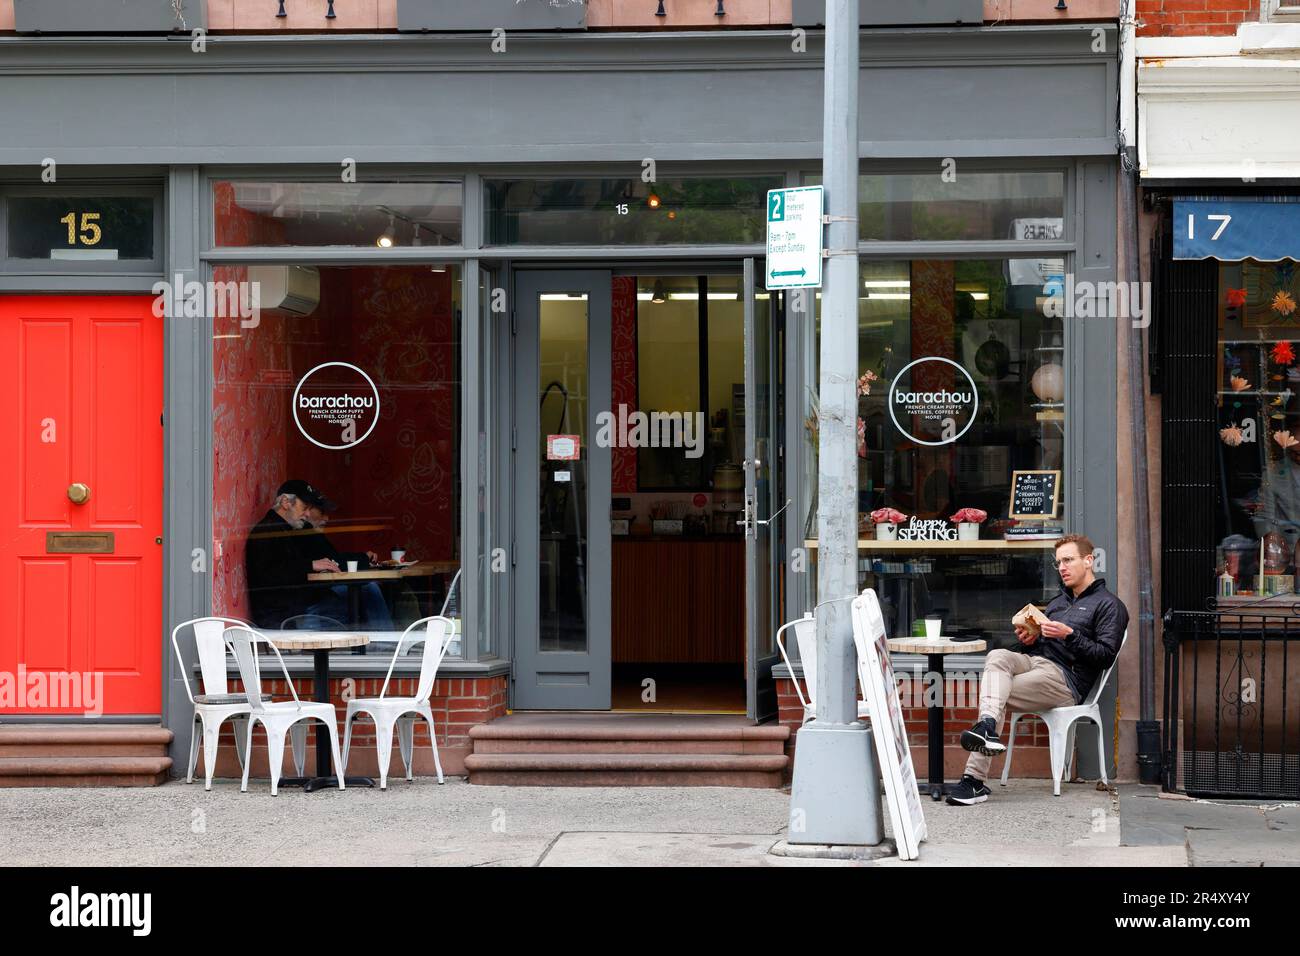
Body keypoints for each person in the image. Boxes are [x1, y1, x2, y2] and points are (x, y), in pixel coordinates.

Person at [946, 533, 1129, 806]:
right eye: (1059, 563)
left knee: (998, 693)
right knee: (997, 655)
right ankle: (986, 728)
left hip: (1067, 680)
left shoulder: (1109, 605)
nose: (1063, 567)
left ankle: (973, 779)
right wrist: (1031, 640)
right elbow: (1040, 650)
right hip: (1037, 664)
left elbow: (1104, 657)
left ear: (1088, 561)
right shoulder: (1057, 603)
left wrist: (1069, 635)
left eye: (1068, 560)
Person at [245, 480, 343, 630]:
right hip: (282, 616)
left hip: (290, 609)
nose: (308, 514)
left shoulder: (284, 529)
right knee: (345, 605)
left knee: (343, 601)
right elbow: (269, 574)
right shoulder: (267, 531)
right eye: (304, 507)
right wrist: (311, 565)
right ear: (285, 502)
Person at [300, 500, 394, 631]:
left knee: (397, 587)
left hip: (323, 588)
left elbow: (335, 559)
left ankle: (412, 635)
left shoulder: (313, 534)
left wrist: (364, 558)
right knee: (370, 588)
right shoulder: (303, 534)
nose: (327, 518)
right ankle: (387, 643)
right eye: (322, 512)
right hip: (313, 594)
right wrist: (363, 559)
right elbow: (335, 561)